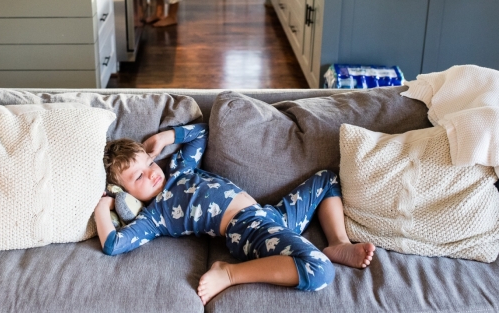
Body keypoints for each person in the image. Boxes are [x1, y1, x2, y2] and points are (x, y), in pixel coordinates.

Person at [95, 123, 375, 305]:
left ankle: (338, 242)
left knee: (327, 179)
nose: (151, 173)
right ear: (126, 193)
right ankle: (229, 273)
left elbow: (203, 132)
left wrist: (165, 137)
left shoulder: (178, 169)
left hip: (271, 216)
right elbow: (112, 244)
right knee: (320, 270)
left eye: (148, 162)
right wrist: (102, 209)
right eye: (138, 177)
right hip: (248, 230)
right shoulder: (155, 217)